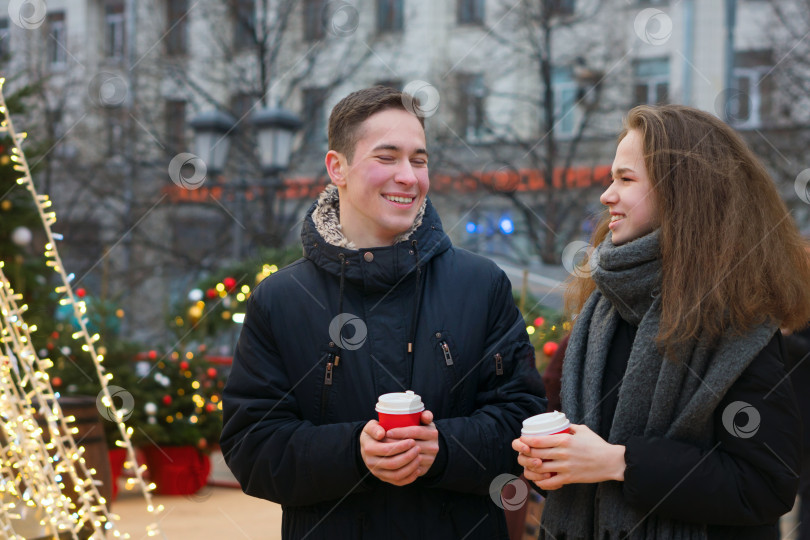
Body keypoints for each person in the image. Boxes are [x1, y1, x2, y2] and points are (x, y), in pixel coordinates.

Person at [220, 86, 546, 540]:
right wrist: (354, 453)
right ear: (338, 168)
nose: (408, 177)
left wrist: (442, 449)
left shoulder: (481, 284)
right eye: (387, 157)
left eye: (419, 159)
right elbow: (251, 447)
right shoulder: (280, 299)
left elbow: (523, 423)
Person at [513, 104, 810, 539]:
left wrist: (620, 463)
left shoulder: (738, 322)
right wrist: (550, 461)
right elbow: (576, 442)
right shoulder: (602, 308)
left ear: (681, 192)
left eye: (626, 179)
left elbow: (765, 486)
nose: (606, 194)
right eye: (612, 177)